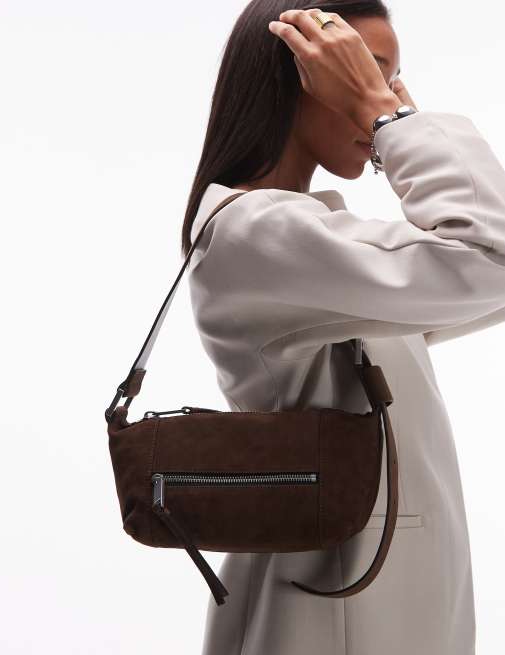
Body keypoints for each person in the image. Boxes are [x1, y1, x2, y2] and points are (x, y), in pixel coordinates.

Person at [181, 2, 505, 654]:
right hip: (329, 616)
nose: (381, 93)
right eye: (360, 70)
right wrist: (390, 122)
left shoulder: (313, 247)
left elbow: (485, 270)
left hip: (375, 600)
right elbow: (490, 254)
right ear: (297, 74)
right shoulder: (252, 234)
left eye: (387, 78)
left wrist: (387, 121)